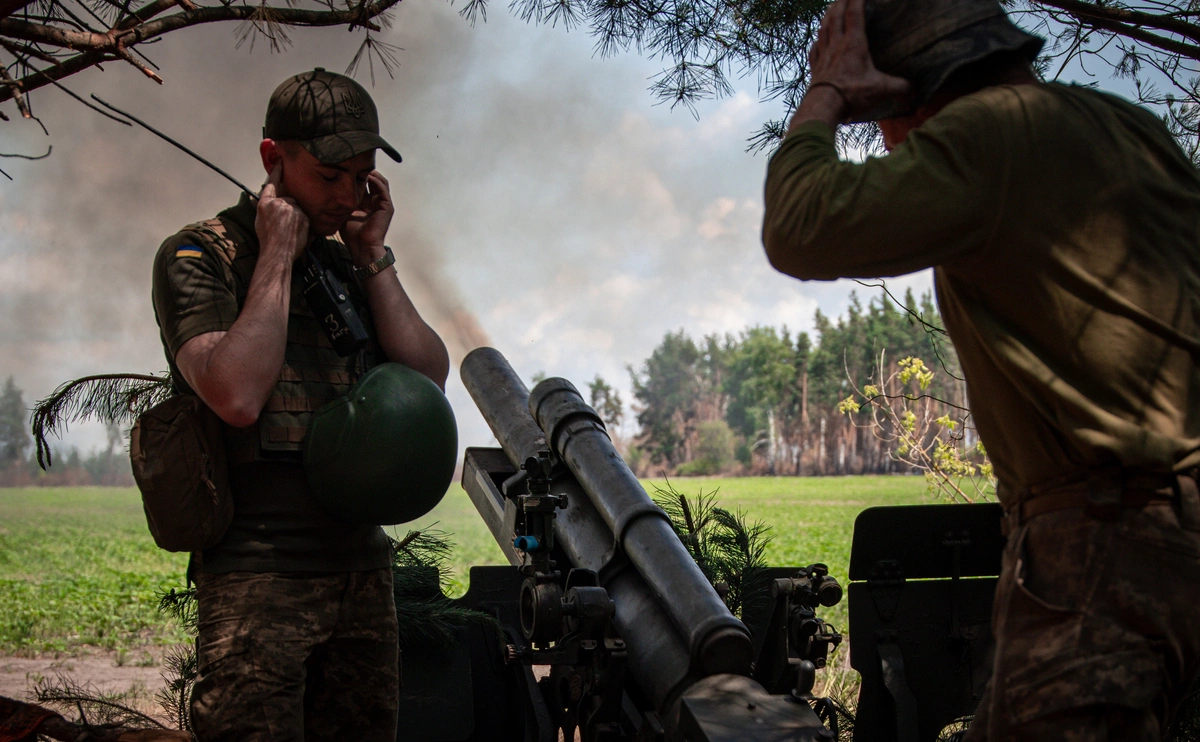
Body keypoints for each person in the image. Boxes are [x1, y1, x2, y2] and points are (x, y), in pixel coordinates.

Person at [760, 0, 1200, 738]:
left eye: (883, 125)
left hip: (1101, 538)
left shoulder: (988, 134)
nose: (893, 148)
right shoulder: (1130, 128)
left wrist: (829, 93)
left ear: (904, 95)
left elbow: (800, 226)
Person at [151, 68, 449, 741]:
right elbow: (234, 394)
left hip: (360, 571)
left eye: (361, 176)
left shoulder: (349, 263)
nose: (346, 195)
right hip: (260, 576)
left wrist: (373, 256)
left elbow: (426, 380)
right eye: (328, 175)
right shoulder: (202, 256)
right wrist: (278, 253)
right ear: (272, 159)